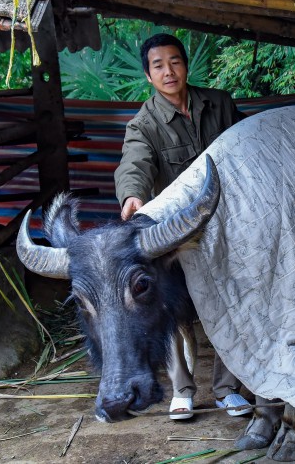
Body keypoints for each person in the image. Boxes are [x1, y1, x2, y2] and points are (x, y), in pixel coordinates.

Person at [114, 33, 248, 421]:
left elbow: (247, 143)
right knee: (167, 306)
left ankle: (226, 390)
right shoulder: (143, 124)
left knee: (229, 304)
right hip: (173, 235)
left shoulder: (220, 104)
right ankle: (183, 389)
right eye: (158, 65)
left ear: (186, 65)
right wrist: (132, 197)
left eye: (175, 62)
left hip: (226, 224)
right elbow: (133, 164)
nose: (168, 71)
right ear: (148, 75)